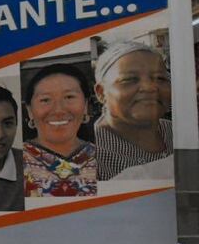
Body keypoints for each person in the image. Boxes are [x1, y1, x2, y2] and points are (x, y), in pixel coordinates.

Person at [93, 41, 172, 180]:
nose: (149, 87)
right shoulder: (87, 156)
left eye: (160, 78)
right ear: (101, 93)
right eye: (129, 79)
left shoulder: (178, 133)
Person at [23, 63, 97, 196]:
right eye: (45, 100)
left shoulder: (106, 160)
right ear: (29, 111)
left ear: (85, 105)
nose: (58, 110)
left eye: (69, 97)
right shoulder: (12, 164)